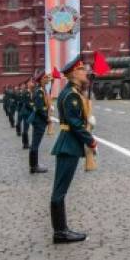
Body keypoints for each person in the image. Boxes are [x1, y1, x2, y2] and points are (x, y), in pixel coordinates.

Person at [49, 55, 97, 243]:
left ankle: (61, 230)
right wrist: (91, 140)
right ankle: (60, 232)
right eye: (83, 70)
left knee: (60, 190)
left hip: (68, 144)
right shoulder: (71, 95)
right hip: (68, 145)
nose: (86, 73)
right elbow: (75, 124)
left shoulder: (72, 92)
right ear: (75, 74)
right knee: (59, 191)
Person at [28, 72, 51, 174]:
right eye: (45, 77)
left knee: (35, 143)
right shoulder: (39, 91)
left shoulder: (42, 90)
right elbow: (39, 108)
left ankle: (34, 165)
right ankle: (34, 166)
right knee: (35, 144)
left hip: (39, 120)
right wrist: (47, 118)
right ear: (41, 79)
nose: (47, 79)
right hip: (39, 121)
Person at [21, 77, 36, 150]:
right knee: (25, 129)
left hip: (32, 112)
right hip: (26, 112)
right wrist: (34, 107)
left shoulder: (34, 92)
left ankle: (34, 142)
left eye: (32, 81)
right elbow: (27, 103)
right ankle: (25, 143)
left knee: (35, 127)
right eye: (30, 82)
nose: (32, 83)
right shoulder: (25, 93)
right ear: (27, 84)